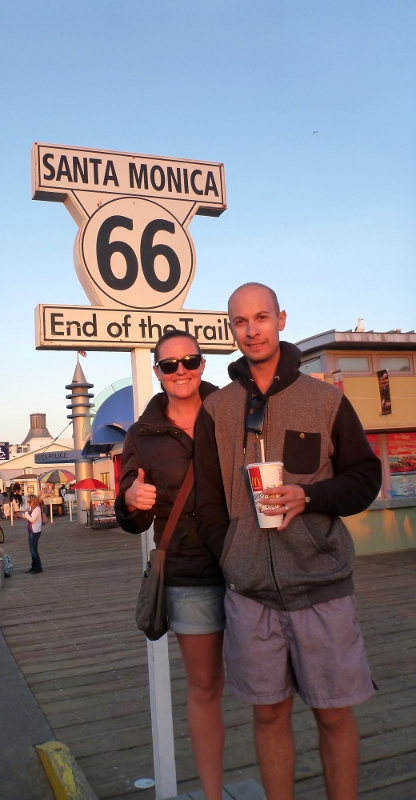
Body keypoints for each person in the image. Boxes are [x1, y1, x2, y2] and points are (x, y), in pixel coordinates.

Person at [194, 283, 382, 800]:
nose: (251, 330)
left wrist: (311, 496)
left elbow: (365, 476)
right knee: (269, 714)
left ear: (280, 318)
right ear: (229, 328)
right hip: (250, 593)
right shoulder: (219, 410)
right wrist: (231, 553)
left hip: (321, 587)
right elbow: (208, 500)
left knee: (333, 715)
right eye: (239, 321)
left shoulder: (324, 399)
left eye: (261, 317)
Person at [114, 329, 226, 800]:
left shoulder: (232, 413)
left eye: (191, 360)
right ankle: (214, 794)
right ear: (158, 372)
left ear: (203, 363)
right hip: (189, 575)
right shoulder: (142, 434)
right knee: (205, 688)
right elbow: (132, 518)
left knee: (270, 691)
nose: (182, 370)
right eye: (170, 364)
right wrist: (131, 500)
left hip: (252, 567)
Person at [18, 495, 43, 574]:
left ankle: (38, 567)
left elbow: (32, 519)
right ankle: (34, 566)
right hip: (31, 530)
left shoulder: (37, 509)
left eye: (30, 502)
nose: (28, 503)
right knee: (32, 549)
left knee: (34, 550)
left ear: (34, 502)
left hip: (35, 531)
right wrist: (22, 515)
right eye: (28, 501)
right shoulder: (32, 509)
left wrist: (26, 514)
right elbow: (29, 517)